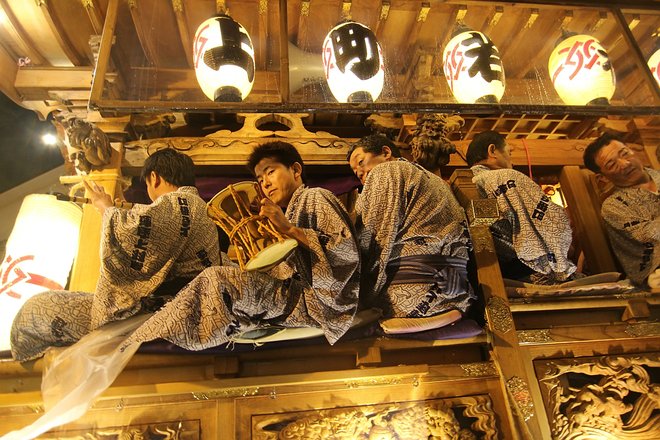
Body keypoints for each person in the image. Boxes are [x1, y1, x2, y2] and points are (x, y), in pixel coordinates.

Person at [119, 141, 360, 350]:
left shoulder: (315, 196)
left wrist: (288, 229)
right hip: (294, 295)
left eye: (271, 172)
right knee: (222, 274)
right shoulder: (291, 211)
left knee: (217, 279)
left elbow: (345, 249)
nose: (265, 183)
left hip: (315, 302)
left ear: (296, 169)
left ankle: (146, 335)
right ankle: (163, 321)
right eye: (260, 178)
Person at [11, 148, 220, 361]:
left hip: (165, 310)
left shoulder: (177, 202)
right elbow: (149, 233)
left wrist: (105, 208)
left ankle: (20, 360)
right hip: (185, 304)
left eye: (147, 184)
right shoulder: (198, 207)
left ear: (154, 178)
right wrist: (119, 213)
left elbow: (133, 235)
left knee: (38, 309)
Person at [348, 134, 474, 319]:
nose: (358, 172)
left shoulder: (387, 170)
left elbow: (375, 236)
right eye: (354, 172)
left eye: (360, 162)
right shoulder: (437, 181)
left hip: (412, 295)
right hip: (459, 293)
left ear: (385, 152)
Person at [466, 130, 577, 284]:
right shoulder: (507, 177)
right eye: (508, 152)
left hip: (500, 274)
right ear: (492, 151)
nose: (512, 161)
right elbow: (551, 229)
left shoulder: (470, 184)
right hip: (534, 272)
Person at [583, 133, 659, 288]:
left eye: (625, 153)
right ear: (602, 177)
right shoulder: (613, 206)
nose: (625, 164)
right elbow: (650, 234)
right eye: (611, 164)